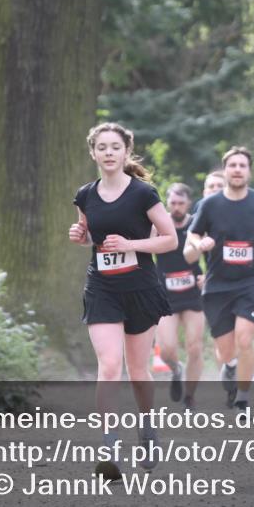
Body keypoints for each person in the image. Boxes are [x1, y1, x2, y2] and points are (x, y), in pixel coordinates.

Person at [69, 122, 178, 475]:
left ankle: (147, 428)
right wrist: (79, 235)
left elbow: (170, 239)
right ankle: (109, 446)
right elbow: (88, 235)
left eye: (115, 147)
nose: (109, 153)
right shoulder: (85, 195)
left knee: (137, 369)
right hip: (102, 287)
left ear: (126, 151)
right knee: (110, 365)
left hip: (140, 288)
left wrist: (132, 245)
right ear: (93, 153)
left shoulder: (143, 194)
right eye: (102, 147)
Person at [184, 146, 254, 415]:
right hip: (217, 285)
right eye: (232, 165)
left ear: (249, 171)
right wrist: (200, 242)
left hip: (250, 281)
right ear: (226, 170)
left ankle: (242, 397)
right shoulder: (210, 204)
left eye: (242, 165)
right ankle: (229, 367)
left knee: (245, 339)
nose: (237, 169)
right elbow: (193, 234)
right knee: (225, 350)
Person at [154, 183, 205, 410]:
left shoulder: (196, 224)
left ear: (188, 204)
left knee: (195, 346)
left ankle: (190, 397)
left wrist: (209, 276)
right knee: (166, 349)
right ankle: (176, 369)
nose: (176, 207)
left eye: (180, 203)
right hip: (165, 293)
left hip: (193, 291)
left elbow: (215, 251)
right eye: (172, 203)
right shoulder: (159, 224)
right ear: (167, 203)